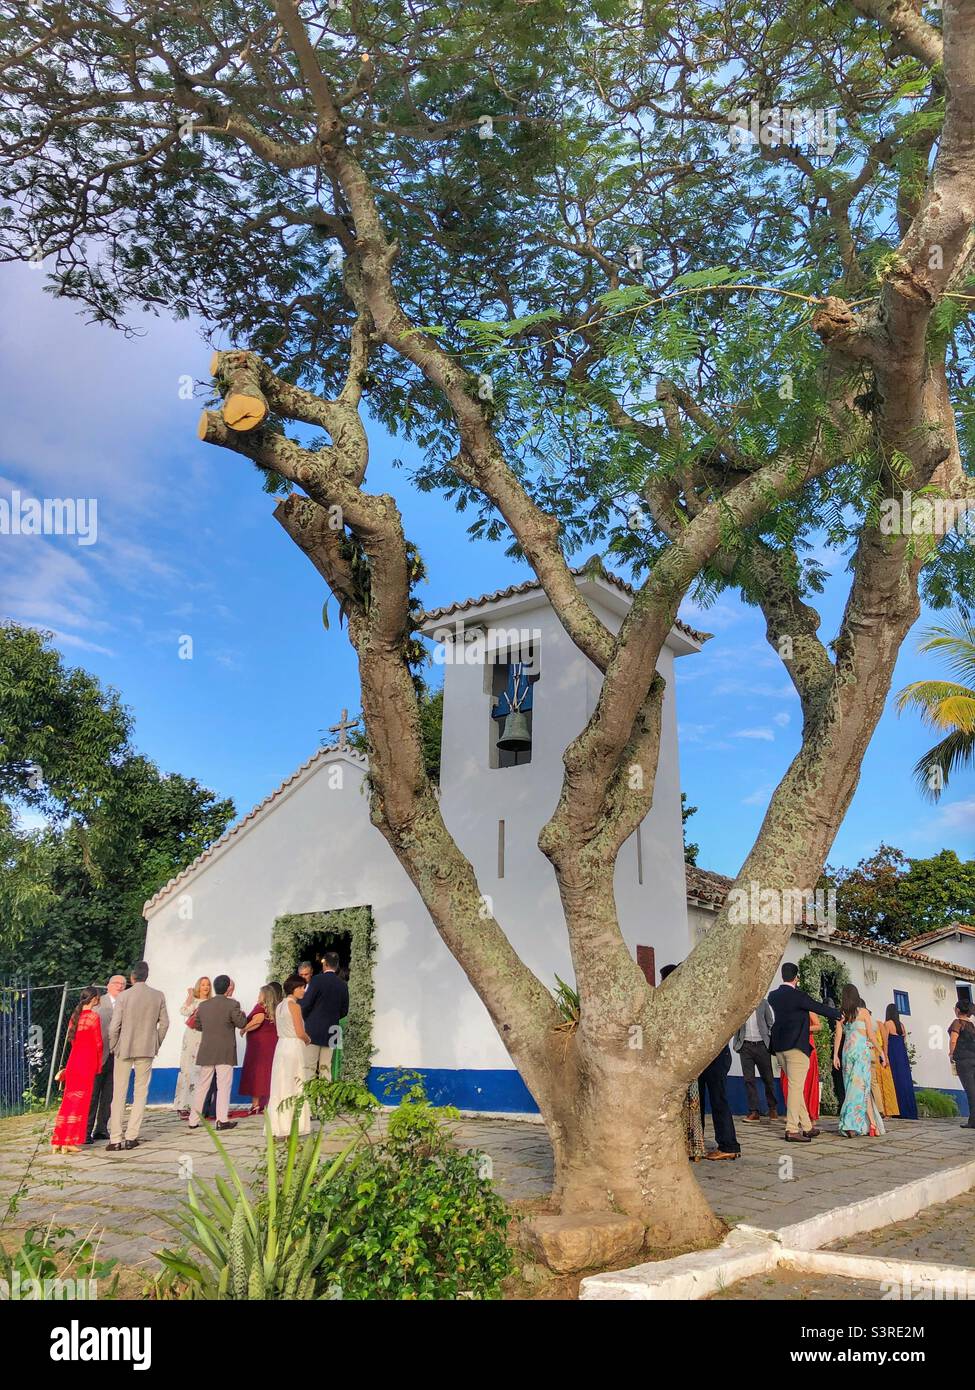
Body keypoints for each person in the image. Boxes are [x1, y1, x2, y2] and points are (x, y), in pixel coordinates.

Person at [769, 962, 841, 1142]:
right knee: (796, 1087)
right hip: (796, 1046)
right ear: (796, 977)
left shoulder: (773, 996)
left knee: (795, 1087)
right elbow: (818, 1007)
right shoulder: (798, 996)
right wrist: (839, 1014)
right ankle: (792, 1129)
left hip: (779, 1047)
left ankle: (807, 1126)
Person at [107, 961, 169, 1153]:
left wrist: (114, 1045)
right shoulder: (158, 995)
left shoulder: (124, 996)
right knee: (141, 1092)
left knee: (119, 1093)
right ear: (147, 976)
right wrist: (155, 1043)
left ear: (132, 977)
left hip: (124, 1048)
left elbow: (114, 1026)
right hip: (146, 1048)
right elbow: (165, 1024)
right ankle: (132, 1136)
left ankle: (115, 1138)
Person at [187, 975, 248, 1131]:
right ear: (228, 987)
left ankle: (193, 1120)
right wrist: (243, 1014)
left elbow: (198, 1026)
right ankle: (221, 1120)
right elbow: (241, 1023)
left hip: (207, 1050)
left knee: (202, 1086)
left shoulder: (204, 1006)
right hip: (225, 1051)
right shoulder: (233, 1004)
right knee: (223, 1086)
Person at [660, 963, 705, 1159]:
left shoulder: (665, 1003)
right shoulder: (691, 1003)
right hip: (689, 1061)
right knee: (692, 1106)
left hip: (673, 1062)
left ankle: (674, 1148)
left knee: (674, 1106)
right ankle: (694, 1149)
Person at [51, 988, 103, 1154]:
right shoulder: (94, 1017)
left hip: (74, 1061)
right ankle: (70, 1141)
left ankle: (58, 1140)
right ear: (94, 999)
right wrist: (98, 1065)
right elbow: (98, 1044)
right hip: (87, 1062)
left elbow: (74, 1042)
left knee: (68, 1101)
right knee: (80, 1103)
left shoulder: (75, 1017)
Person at [834, 985, 884, 1138]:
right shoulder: (864, 1012)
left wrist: (835, 1055)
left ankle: (870, 1124)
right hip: (861, 1052)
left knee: (851, 1087)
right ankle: (855, 1124)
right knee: (862, 1088)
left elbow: (838, 1036)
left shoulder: (841, 1013)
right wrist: (881, 1052)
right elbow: (871, 1035)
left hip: (847, 1053)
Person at [269, 975, 312, 1138]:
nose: (303, 991)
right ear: (294, 988)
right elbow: (300, 1032)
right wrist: (308, 1040)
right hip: (293, 1046)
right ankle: (294, 1124)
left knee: (280, 1084)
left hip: (281, 1046)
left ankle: (279, 1124)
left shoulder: (279, 1006)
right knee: (295, 1083)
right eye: (301, 987)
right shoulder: (294, 1006)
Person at [86, 974, 126, 1143]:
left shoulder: (127, 1004)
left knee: (109, 1094)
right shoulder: (98, 1003)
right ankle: (86, 1130)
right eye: (116, 983)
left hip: (116, 1055)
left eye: (123, 984)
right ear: (108, 985)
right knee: (93, 1094)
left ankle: (101, 1127)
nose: (120, 986)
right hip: (97, 1055)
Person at [299, 950, 349, 1079]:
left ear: (325, 964)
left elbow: (306, 1004)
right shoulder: (343, 985)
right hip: (333, 1030)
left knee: (309, 1067)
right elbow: (344, 1010)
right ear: (336, 966)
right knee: (326, 1068)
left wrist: (306, 1018)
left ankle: (309, 1098)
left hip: (313, 1029)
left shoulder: (316, 980)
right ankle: (324, 1099)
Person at [733, 997, 778, 1122]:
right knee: (749, 1079)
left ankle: (772, 1108)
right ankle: (754, 1111)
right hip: (745, 1046)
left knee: (768, 1078)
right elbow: (736, 1025)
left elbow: (770, 1023)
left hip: (762, 1045)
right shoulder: (741, 1004)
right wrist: (736, 1044)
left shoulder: (763, 1003)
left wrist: (769, 1041)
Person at [239, 982, 282, 1114]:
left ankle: (256, 1104)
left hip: (259, 1045)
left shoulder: (260, 1007)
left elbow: (258, 1020)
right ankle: (269, 1103)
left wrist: (244, 1029)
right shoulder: (275, 1008)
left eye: (260, 994)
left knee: (257, 1072)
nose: (258, 996)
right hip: (271, 1043)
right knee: (268, 1072)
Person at [174, 977, 212, 1115]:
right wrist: (190, 995)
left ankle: (197, 1105)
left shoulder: (211, 1002)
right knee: (188, 1069)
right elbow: (183, 1011)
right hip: (192, 1036)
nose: (206, 987)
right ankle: (183, 1104)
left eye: (208, 985)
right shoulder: (195, 1001)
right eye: (203, 985)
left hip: (205, 1036)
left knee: (200, 1070)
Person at [699, 1043, 741, 1160]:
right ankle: (696, 1142)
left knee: (719, 1101)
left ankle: (728, 1146)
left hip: (716, 1056)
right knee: (697, 1101)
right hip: (704, 1056)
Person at [781, 1015, 822, 1126]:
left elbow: (818, 1026)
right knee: (788, 1082)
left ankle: (809, 1115)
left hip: (806, 1045)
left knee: (806, 1082)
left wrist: (802, 1029)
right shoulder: (786, 1008)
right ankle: (794, 1114)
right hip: (789, 1044)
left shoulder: (807, 1006)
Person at [884, 1004, 918, 1119]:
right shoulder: (901, 1026)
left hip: (893, 1053)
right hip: (902, 1054)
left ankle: (896, 1109)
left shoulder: (887, 1024)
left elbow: (885, 1042)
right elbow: (903, 1040)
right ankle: (908, 1109)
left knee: (894, 1080)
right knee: (904, 1080)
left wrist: (885, 1056)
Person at [949, 1000, 975, 1128]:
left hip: (963, 1059)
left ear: (958, 1010)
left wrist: (951, 1054)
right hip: (974, 1057)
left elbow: (953, 1040)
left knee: (970, 1090)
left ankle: (973, 1120)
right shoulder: (972, 1025)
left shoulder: (957, 1023)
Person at [872, 1014, 899, 1120]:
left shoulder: (879, 1024)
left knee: (884, 1083)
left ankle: (887, 1111)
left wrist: (885, 1056)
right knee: (875, 1083)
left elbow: (885, 1042)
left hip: (879, 1054)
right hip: (871, 1053)